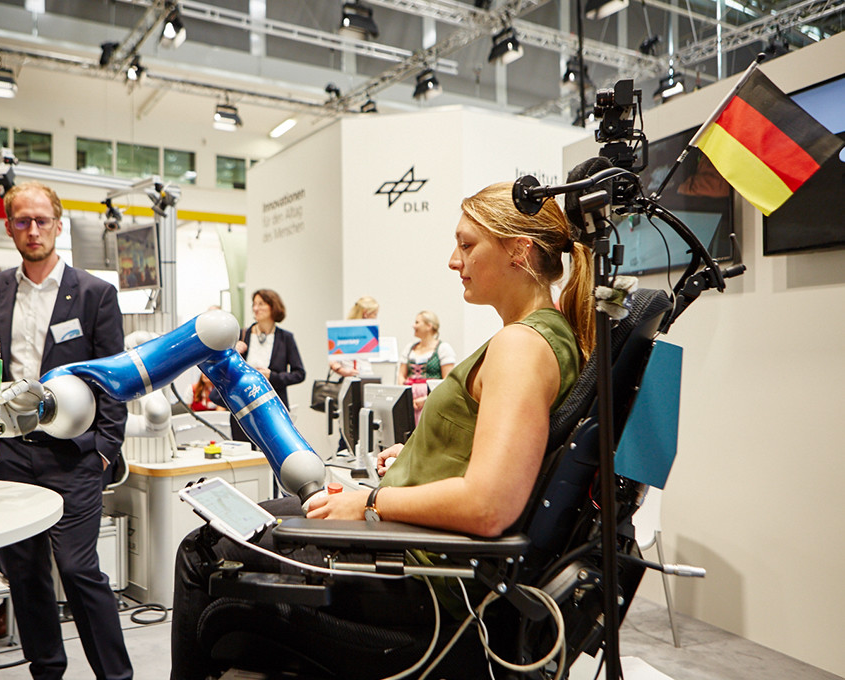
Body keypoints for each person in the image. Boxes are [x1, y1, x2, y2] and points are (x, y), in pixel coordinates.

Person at [170, 181, 595, 680]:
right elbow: (480, 453)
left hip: (421, 576)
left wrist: (368, 504)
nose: (453, 261)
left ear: (519, 250)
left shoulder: (521, 347)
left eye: (466, 244)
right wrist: (416, 460)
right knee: (250, 520)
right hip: (413, 545)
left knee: (201, 551)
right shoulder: (542, 336)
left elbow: (489, 505)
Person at [0, 181, 132, 680]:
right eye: (23, 221)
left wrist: (105, 448)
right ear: (9, 227)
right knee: (24, 570)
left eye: (42, 220)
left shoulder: (95, 294)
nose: (33, 229)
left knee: (80, 570)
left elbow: (116, 378)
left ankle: (116, 677)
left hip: (73, 455)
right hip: (9, 455)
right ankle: (47, 671)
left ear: (59, 225)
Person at [216, 289, 305, 444]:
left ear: (273, 307)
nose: (256, 309)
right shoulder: (242, 335)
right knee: (244, 452)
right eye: (254, 304)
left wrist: (272, 376)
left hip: (273, 406)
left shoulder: (285, 338)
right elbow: (225, 368)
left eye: (261, 304)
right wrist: (233, 352)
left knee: (275, 449)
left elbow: (299, 373)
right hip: (243, 405)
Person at [397, 310, 456, 420]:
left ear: (429, 326)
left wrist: (427, 398)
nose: (413, 326)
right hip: (409, 401)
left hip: (431, 401)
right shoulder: (410, 348)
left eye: (417, 322)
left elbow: (447, 380)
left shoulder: (443, 349)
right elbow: (401, 374)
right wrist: (405, 397)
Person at [328, 295, 379, 378]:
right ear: (366, 313)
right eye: (375, 314)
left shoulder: (370, 333)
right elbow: (332, 361)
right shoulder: (344, 332)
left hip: (367, 376)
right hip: (351, 379)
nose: (375, 318)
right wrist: (344, 371)